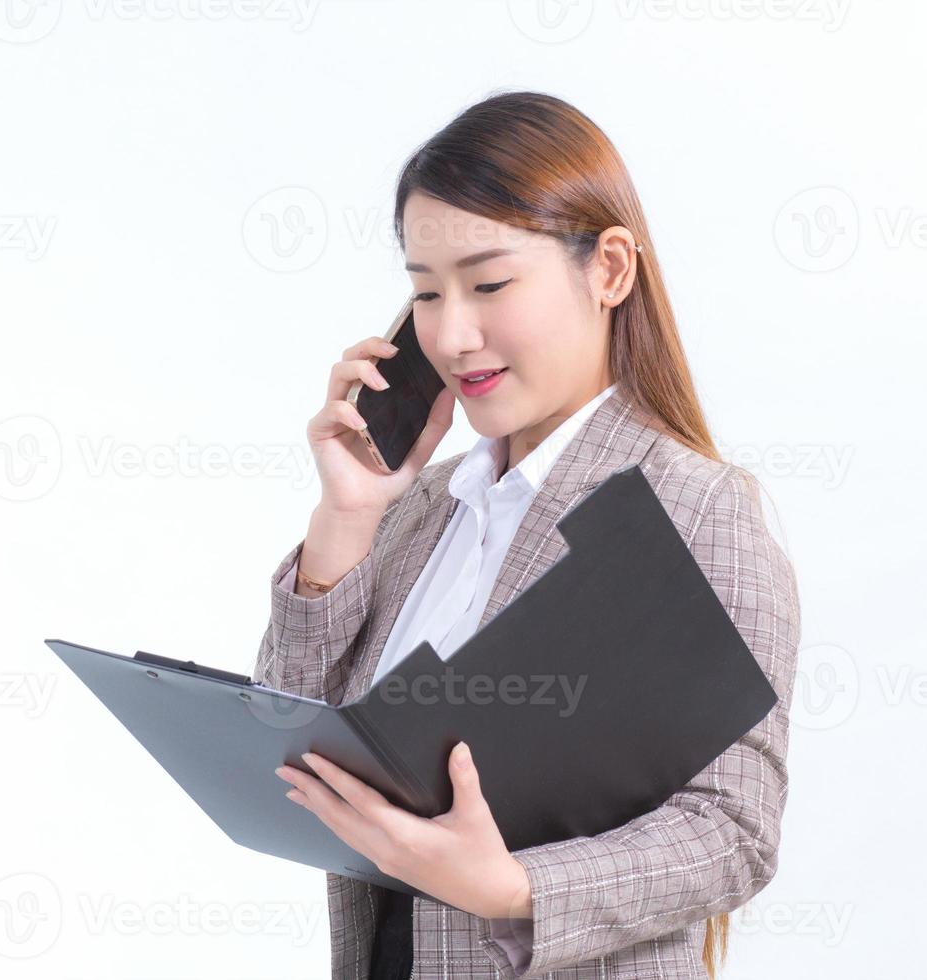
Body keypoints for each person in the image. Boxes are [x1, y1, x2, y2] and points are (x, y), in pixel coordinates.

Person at [253, 90, 801, 980]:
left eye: (491, 283)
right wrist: (347, 516)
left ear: (610, 269)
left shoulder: (694, 509)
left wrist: (514, 887)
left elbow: (735, 830)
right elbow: (289, 747)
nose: (453, 333)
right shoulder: (418, 510)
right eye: (425, 292)